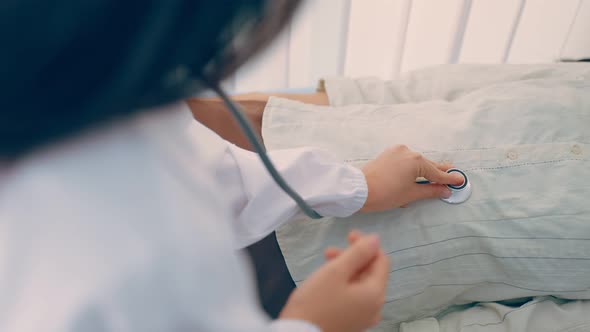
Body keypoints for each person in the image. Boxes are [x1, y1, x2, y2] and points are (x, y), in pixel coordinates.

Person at [0, 1, 463, 331]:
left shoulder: (101, 103)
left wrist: (356, 185)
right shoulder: (114, 272)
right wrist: (313, 325)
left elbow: (210, 172)